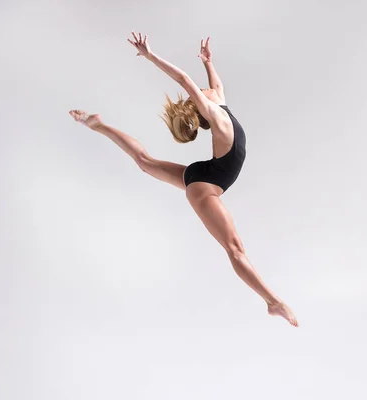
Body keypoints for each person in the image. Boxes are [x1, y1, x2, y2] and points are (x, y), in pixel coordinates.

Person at [69, 32, 298, 327]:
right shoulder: (216, 116)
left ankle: (97, 124)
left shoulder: (219, 105)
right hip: (206, 187)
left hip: (207, 175)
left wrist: (208, 63)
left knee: (145, 162)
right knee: (234, 248)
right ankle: (273, 302)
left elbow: (216, 85)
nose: (204, 90)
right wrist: (150, 56)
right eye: (200, 93)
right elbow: (184, 80)